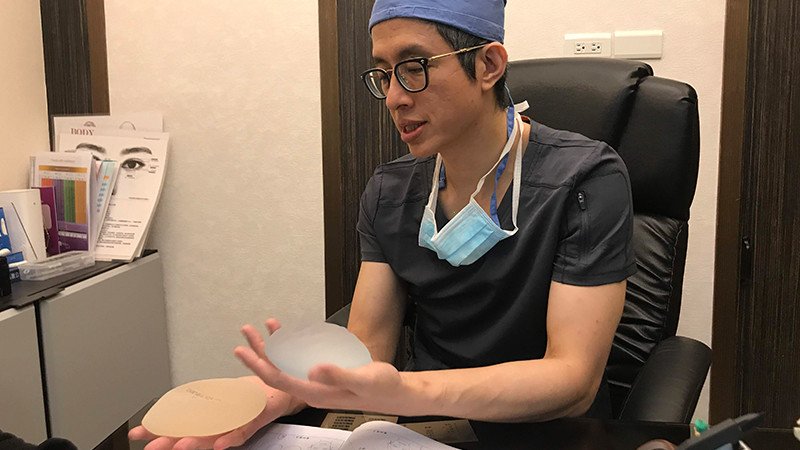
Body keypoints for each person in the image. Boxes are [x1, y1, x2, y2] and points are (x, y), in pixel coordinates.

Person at [131, 0, 635, 448]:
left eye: (414, 68)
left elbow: (572, 380)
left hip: (551, 433)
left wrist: (408, 390)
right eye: (384, 74)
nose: (394, 97)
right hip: (424, 430)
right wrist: (280, 393)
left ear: (488, 65)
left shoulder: (585, 179)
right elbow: (368, 349)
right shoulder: (391, 192)